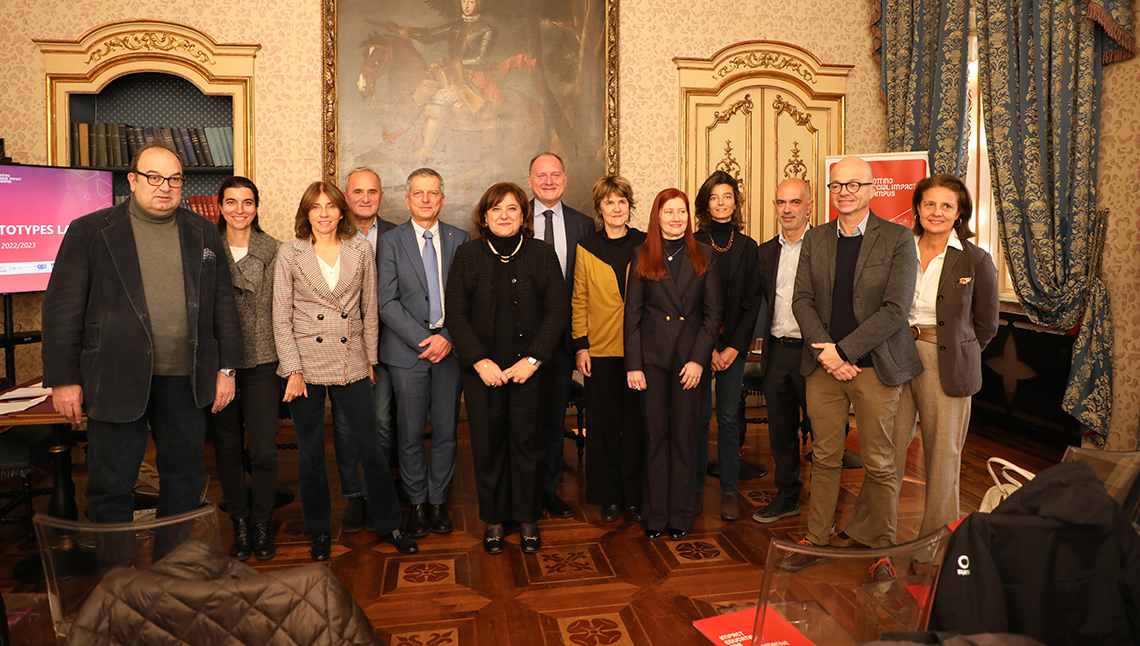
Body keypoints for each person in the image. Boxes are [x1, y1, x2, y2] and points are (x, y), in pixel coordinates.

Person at [43, 140, 243, 524]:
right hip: (115, 377)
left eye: (174, 179)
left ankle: (174, 572)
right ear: (133, 180)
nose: (164, 187)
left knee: (185, 480)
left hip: (186, 380)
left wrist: (228, 369)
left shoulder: (203, 231)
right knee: (110, 483)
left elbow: (223, 307)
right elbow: (62, 309)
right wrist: (64, 379)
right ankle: (118, 578)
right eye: (154, 177)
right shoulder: (91, 231)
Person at [781, 156, 922, 575]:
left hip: (874, 368)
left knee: (880, 462)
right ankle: (816, 538)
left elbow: (895, 309)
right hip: (823, 369)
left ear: (871, 189)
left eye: (853, 184)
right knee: (825, 457)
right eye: (837, 185)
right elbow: (801, 300)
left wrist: (843, 352)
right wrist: (827, 352)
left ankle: (882, 549)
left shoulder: (897, 238)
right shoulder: (816, 238)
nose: (844, 191)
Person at [843, 173, 999, 547]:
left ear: (959, 212)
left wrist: (956, 351)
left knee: (943, 457)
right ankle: (867, 531)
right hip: (895, 353)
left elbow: (986, 326)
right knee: (886, 451)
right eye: (929, 203)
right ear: (916, 208)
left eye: (947, 205)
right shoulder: (899, 248)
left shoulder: (976, 259)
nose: (937, 212)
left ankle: (935, 544)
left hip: (947, 363)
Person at [273, 180, 417, 560]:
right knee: (311, 453)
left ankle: (390, 524)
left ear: (341, 211)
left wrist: (369, 361)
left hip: (351, 360)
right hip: (304, 363)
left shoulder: (360, 250)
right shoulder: (290, 253)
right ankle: (319, 529)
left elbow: (370, 310)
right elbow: (280, 317)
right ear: (307, 213)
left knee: (371, 447)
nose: (323, 214)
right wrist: (292, 368)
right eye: (316, 207)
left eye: (330, 206)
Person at [446, 182, 567, 554]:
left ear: (523, 216)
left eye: (511, 209)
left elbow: (557, 310)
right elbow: (457, 314)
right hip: (482, 373)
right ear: (484, 217)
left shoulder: (542, 254)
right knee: (488, 446)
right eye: (496, 210)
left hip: (529, 371)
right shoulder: (467, 255)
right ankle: (495, 520)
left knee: (528, 445)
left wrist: (532, 360)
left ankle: (528, 518)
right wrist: (480, 362)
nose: (504, 216)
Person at [377, 168, 470, 538]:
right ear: (407, 199)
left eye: (433, 193)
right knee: (410, 432)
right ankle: (416, 503)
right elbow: (386, 301)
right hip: (407, 352)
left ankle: (437, 501)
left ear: (442, 199)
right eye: (419, 193)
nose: (426, 200)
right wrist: (423, 339)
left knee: (447, 431)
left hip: (450, 349)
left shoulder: (460, 238)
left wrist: (446, 335)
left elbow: (467, 297)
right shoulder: (392, 241)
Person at [625, 188, 722, 541]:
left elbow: (713, 317)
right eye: (669, 212)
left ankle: (681, 514)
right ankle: (655, 514)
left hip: (689, 363)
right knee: (655, 438)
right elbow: (632, 316)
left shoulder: (705, 256)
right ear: (658, 217)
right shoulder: (641, 255)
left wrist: (699, 361)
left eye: (681, 212)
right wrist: (633, 364)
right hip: (650, 362)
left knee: (683, 438)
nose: (676, 218)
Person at [207, 176, 282, 561]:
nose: (240, 210)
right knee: (227, 448)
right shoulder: (205, 248)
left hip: (263, 361)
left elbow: (277, 311)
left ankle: (262, 520)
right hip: (218, 364)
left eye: (247, 202)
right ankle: (239, 520)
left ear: (257, 206)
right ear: (219, 206)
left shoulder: (274, 249)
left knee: (265, 451)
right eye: (232, 202)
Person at [571, 176, 647, 523]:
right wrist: (580, 346)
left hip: (640, 351)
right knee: (603, 426)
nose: (616, 208)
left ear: (629, 207)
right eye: (609, 203)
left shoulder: (647, 244)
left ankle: (635, 496)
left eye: (622, 202)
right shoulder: (586, 247)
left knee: (635, 425)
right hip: (599, 350)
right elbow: (580, 299)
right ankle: (609, 497)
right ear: (599, 209)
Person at [527, 152, 595, 520]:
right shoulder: (513, 219)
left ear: (565, 180)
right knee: (524, 420)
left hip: (565, 341)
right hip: (520, 342)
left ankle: (549, 490)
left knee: (554, 419)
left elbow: (586, 289)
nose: (549, 181)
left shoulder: (583, 225)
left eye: (555, 175)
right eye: (542, 175)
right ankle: (523, 490)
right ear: (530, 180)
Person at [692, 171, 763, 521]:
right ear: (706, 202)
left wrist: (735, 347)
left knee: (730, 417)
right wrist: (706, 348)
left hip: (733, 346)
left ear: (736, 203)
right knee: (699, 415)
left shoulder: (748, 247)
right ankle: (695, 490)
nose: (721, 203)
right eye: (715, 197)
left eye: (728, 197)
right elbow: (686, 304)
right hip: (697, 345)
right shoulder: (691, 242)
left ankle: (730, 491)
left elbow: (753, 301)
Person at [335, 167, 398, 534]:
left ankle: (381, 492)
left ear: (380, 196)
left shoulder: (395, 235)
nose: (365, 198)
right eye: (358, 191)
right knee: (345, 426)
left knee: (382, 423)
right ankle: (354, 497)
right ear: (346, 196)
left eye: (372, 191)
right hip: (343, 349)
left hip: (387, 345)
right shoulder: (329, 234)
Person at [751, 178, 813, 525]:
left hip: (813, 354)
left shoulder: (823, 245)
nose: (787, 209)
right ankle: (787, 495)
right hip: (776, 352)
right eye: (780, 203)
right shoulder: (765, 252)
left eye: (794, 202)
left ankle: (823, 505)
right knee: (781, 430)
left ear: (809, 205)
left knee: (822, 431)